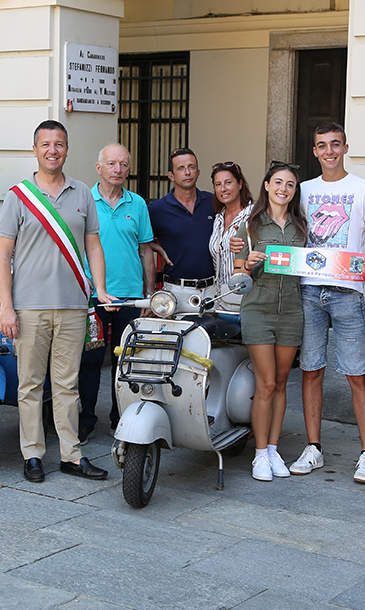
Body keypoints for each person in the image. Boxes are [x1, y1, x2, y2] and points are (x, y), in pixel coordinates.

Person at [0, 120, 113, 483]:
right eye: (45, 144)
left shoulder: (82, 195)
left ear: (67, 149)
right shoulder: (18, 196)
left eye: (59, 144)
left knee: (67, 384)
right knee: (30, 385)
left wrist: (101, 289)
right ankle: (32, 454)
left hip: (73, 305)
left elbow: (93, 244)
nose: (52, 150)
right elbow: (3, 257)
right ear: (35, 149)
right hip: (29, 306)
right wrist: (6, 305)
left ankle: (71, 456)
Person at [288, 123, 365, 482]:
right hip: (309, 289)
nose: (329, 151)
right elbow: (286, 231)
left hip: (347, 291)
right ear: (314, 151)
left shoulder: (362, 189)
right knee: (312, 369)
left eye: (335, 144)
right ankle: (313, 447)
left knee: (357, 374)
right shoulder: (303, 190)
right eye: (321, 145)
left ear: (346, 147)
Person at [233, 162, 309, 481]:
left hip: (292, 309)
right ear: (266, 185)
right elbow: (237, 276)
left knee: (280, 383)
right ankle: (260, 454)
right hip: (258, 309)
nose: (283, 189)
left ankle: (274, 449)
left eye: (290, 184)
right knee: (265, 383)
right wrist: (246, 264)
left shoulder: (301, 227)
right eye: (278, 182)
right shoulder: (250, 225)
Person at [79, 143, 155, 444]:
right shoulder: (84, 201)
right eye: (112, 164)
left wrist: (149, 294)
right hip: (93, 297)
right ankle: (85, 418)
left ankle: (119, 417)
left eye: (123, 164)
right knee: (90, 360)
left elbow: (146, 251)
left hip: (130, 297)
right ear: (99, 168)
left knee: (125, 360)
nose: (118, 170)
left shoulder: (137, 204)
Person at [148, 149, 216, 306]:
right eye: (181, 168)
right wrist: (156, 248)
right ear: (171, 176)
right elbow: (137, 240)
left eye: (191, 167)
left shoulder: (213, 202)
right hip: (176, 291)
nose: (187, 172)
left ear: (198, 172)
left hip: (212, 290)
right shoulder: (157, 209)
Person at [208, 161, 254, 319]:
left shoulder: (253, 216)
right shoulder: (218, 218)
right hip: (220, 301)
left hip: (248, 300)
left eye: (228, 182)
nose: (223, 189)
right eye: (218, 184)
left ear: (240, 184)